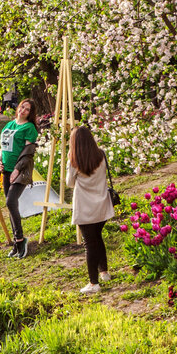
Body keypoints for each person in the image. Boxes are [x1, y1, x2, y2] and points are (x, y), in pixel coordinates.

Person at [67, 126, 115, 294]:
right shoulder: (101, 154)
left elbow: (69, 183)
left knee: (89, 244)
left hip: (85, 207)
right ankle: (104, 272)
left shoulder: (74, 160)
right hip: (102, 205)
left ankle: (93, 283)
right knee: (97, 238)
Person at [0, 98, 39, 258]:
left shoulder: (29, 128)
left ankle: (21, 240)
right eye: (22, 107)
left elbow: (28, 153)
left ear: (30, 113)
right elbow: (3, 147)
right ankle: (17, 242)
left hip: (20, 171)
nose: (23, 110)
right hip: (6, 170)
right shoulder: (9, 125)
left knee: (10, 201)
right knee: (10, 205)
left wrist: (16, 169)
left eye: (27, 109)